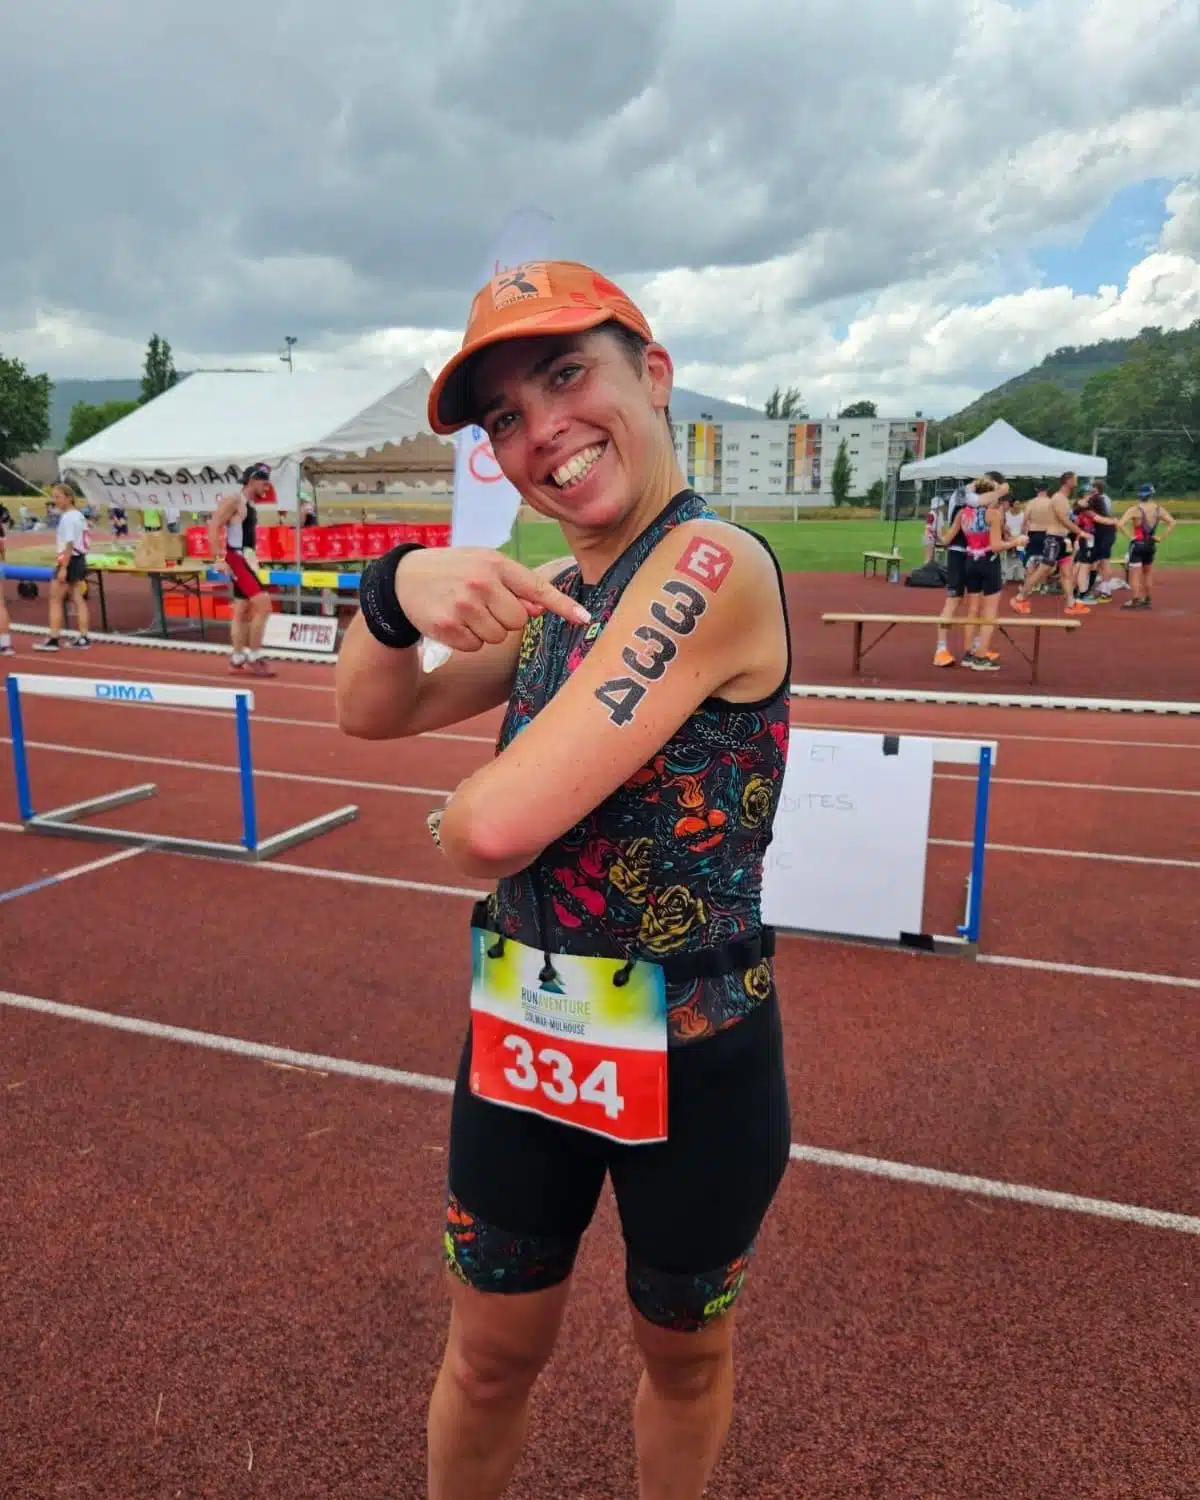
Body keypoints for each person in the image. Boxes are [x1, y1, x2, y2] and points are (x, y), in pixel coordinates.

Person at [335, 260, 793, 1500]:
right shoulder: (567, 595)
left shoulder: (710, 561)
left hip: (696, 1050)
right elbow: (370, 710)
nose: (541, 430)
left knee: (682, 1362)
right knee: (486, 1358)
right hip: (529, 1035)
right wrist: (394, 588)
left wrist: (455, 821)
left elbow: (490, 832)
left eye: (567, 374)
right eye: (504, 417)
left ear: (655, 375)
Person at [932, 477, 1024, 670]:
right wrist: (1016, 542)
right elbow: (996, 546)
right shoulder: (992, 514)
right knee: (989, 612)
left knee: (972, 610)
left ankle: (969, 653)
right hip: (987, 561)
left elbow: (946, 539)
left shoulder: (963, 513)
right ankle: (980, 656)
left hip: (969, 561)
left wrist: (935, 533)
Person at [208, 464, 277, 676]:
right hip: (237, 559)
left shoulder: (248, 504)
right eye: (264, 483)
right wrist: (218, 558)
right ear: (252, 481)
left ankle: (237, 658)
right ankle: (254, 657)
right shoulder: (234, 500)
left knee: (241, 609)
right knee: (264, 606)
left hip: (246, 559)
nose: (266, 487)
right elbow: (214, 525)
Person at [1009, 472, 1090, 615]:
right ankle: (1020, 598)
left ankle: (1071, 604)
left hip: (1061, 539)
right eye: (1075, 479)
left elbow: (1067, 517)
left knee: (1066, 572)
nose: (1077, 481)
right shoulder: (1057, 498)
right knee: (1042, 570)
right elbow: (1063, 519)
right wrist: (1080, 532)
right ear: (1068, 481)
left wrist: (1078, 507)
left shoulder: (1062, 499)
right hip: (1053, 539)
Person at [33, 484, 91, 652]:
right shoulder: (79, 515)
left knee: (55, 599)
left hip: (69, 560)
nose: (55, 500)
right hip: (79, 559)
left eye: (58, 497)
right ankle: (84, 636)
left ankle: (53, 638)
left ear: (69, 498)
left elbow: (69, 543)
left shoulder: (68, 518)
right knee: (77, 598)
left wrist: (64, 567)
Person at [1118, 484, 1176, 609]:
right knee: (1147, 573)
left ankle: (1135, 599)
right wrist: (1160, 538)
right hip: (1150, 544)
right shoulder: (1158, 509)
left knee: (1135, 574)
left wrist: (1131, 537)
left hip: (1138, 544)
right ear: (1151, 494)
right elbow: (1172, 523)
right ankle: (1148, 599)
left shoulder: (1135, 509)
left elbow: (1120, 524)